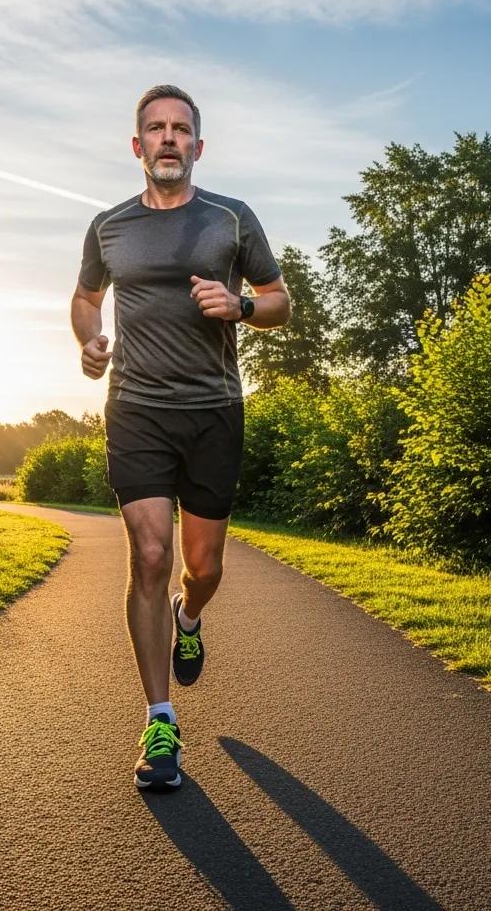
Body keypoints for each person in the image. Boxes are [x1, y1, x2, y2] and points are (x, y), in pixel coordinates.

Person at [71, 85, 291, 790]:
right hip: (136, 408)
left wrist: (242, 304)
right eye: (155, 130)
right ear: (137, 146)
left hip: (214, 411)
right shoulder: (109, 227)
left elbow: (281, 300)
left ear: (198, 145)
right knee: (150, 551)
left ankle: (188, 617)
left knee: (204, 567)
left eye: (181, 129)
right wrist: (90, 341)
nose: (168, 139)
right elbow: (84, 298)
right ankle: (159, 720)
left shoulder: (232, 219)